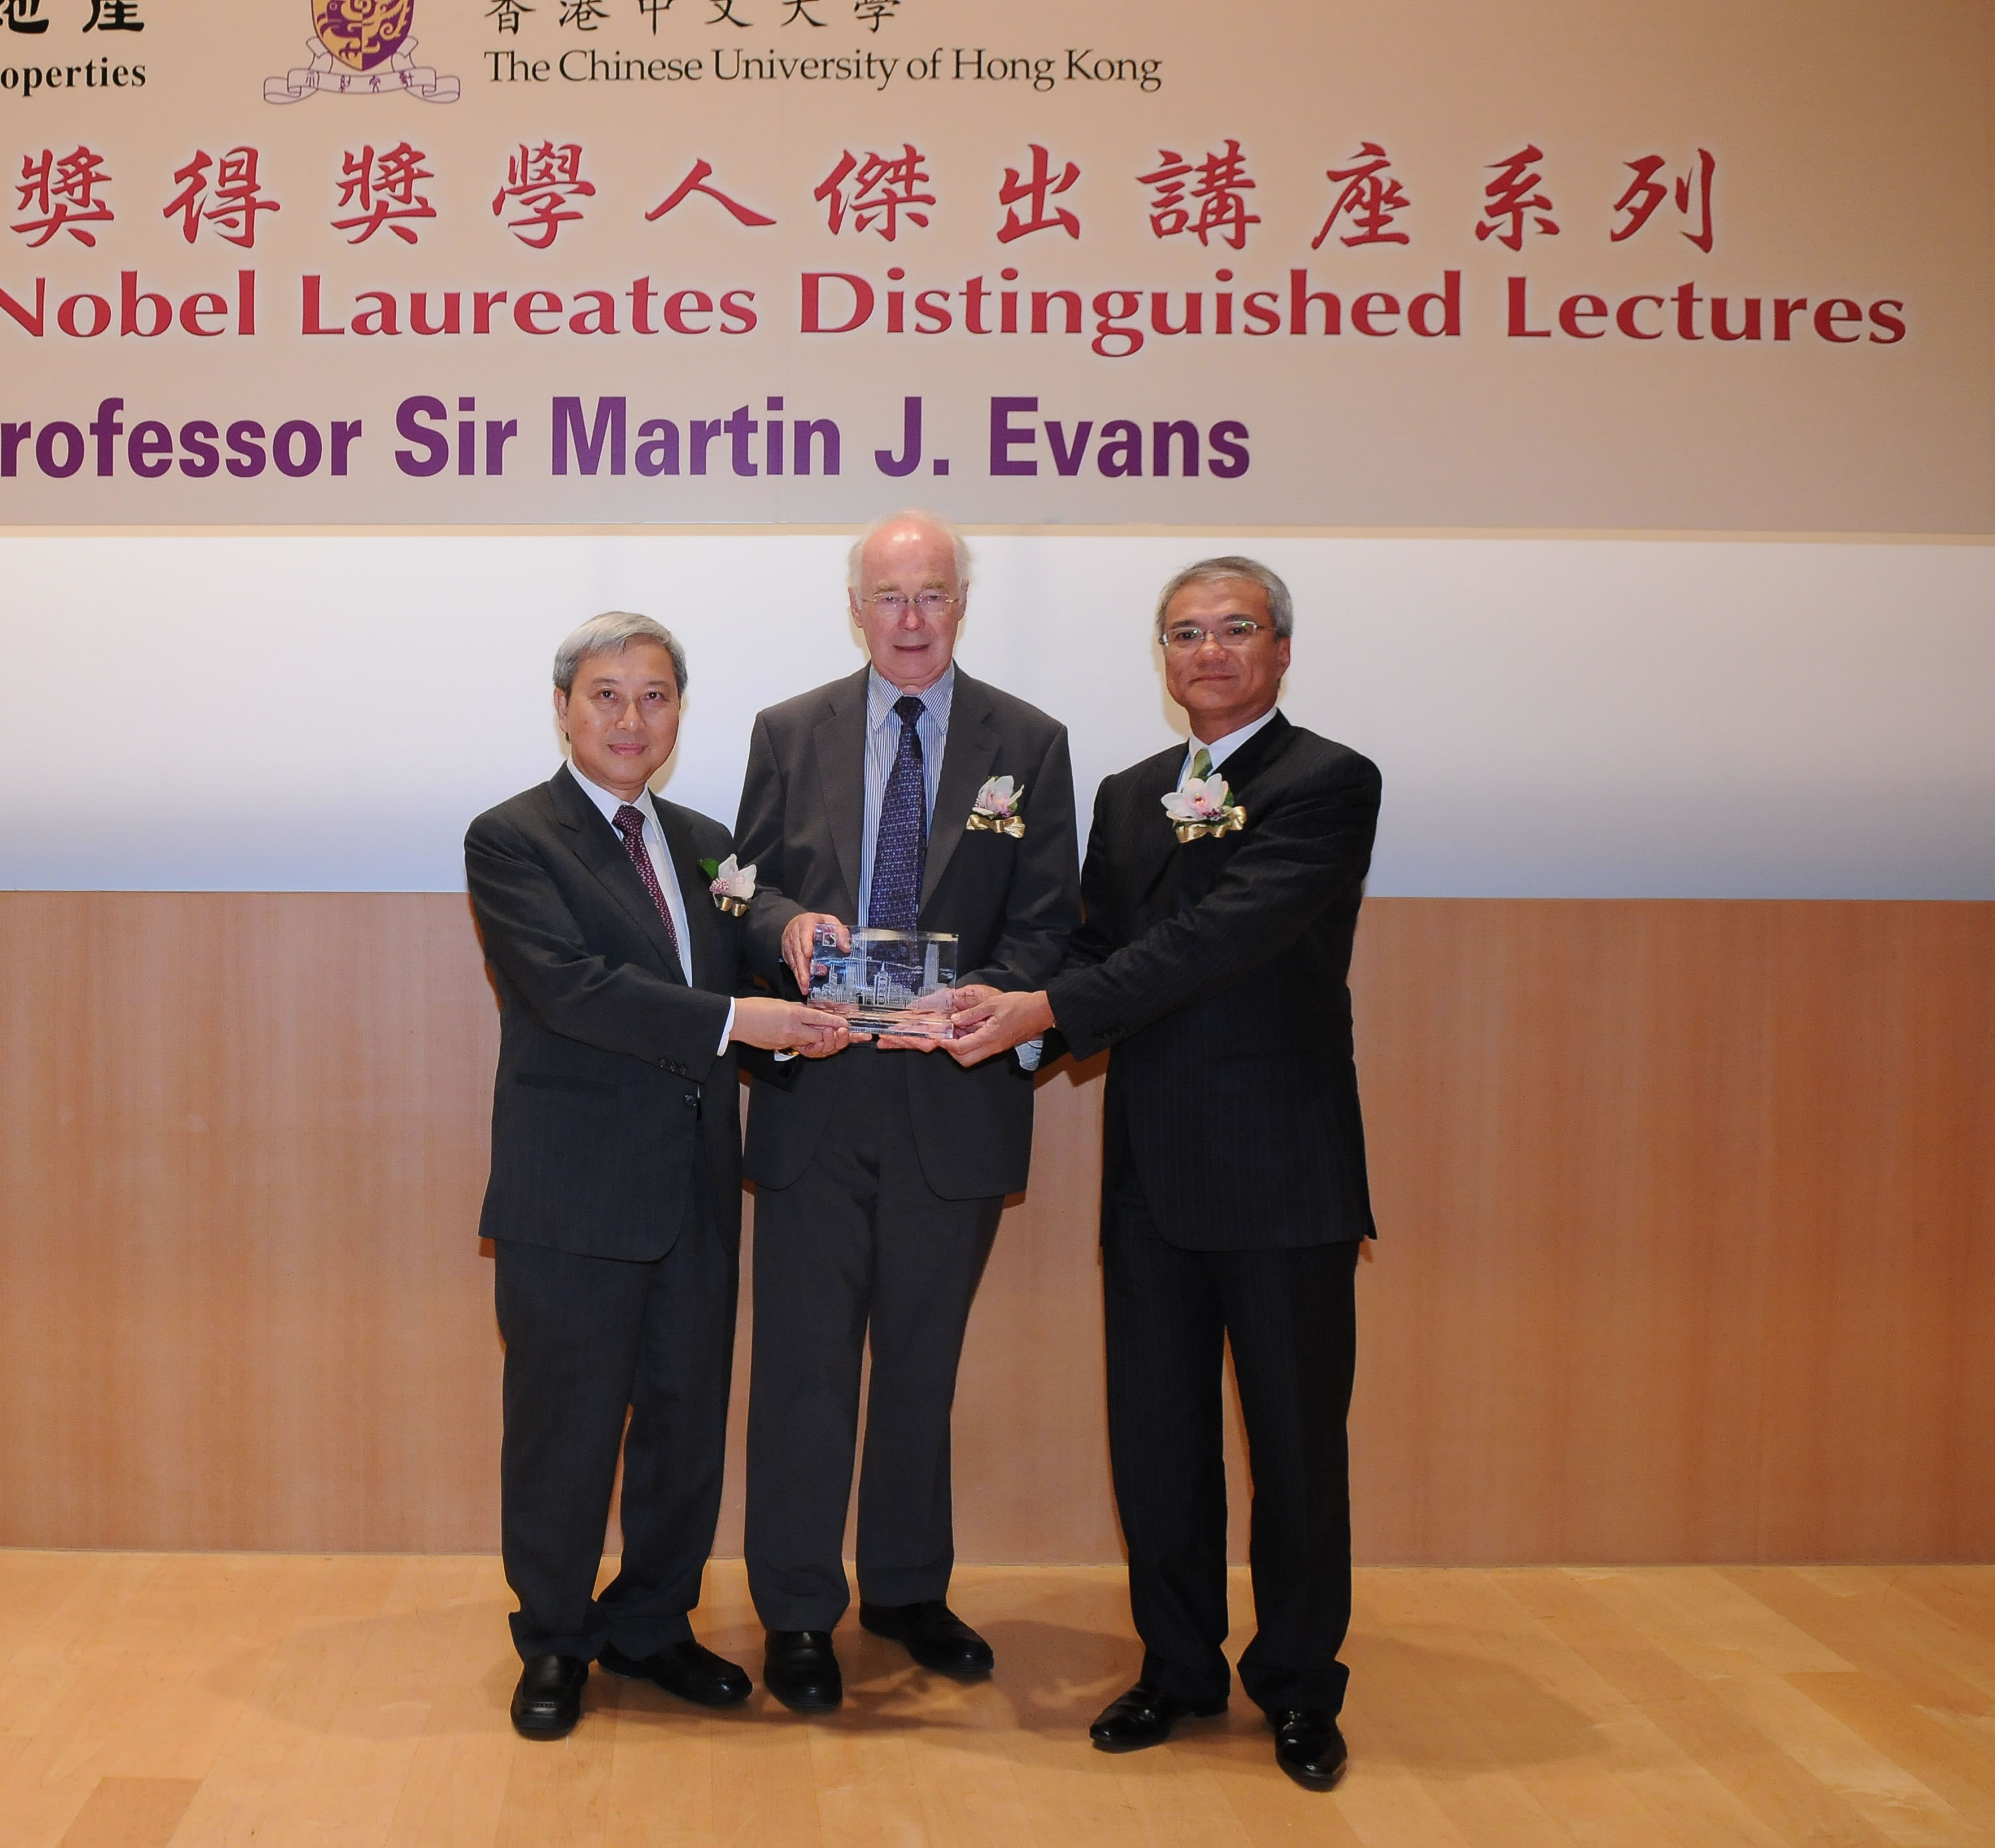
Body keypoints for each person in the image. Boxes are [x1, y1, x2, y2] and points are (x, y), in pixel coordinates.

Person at [945, 556, 1381, 1792]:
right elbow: (1092, 947)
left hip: (1285, 1172)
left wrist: (1049, 1003)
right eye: (1185, 632)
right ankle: (1179, 1669)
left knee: (1298, 1448)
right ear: (1163, 657)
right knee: (1159, 1440)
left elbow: (1214, 939)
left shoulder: (1328, 783)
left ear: (1281, 650)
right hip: (1150, 1177)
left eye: (1236, 629)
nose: (1210, 651)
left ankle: (1299, 1686)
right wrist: (991, 1021)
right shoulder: (1135, 795)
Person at [465, 611, 849, 1741]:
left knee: (684, 1424)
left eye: (656, 697)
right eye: (607, 695)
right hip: (570, 1195)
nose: (632, 719)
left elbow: (751, 929)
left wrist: (817, 966)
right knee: (565, 1429)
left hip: (692, 1189)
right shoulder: (513, 837)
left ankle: (651, 1625)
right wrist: (746, 1018)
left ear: (680, 712)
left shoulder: (701, 838)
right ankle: (554, 1640)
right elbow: (573, 991)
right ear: (565, 707)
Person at [729, 511, 1080, 1710]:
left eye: (934, 594)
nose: (913, 618)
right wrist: (782, 925)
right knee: (803, 1372)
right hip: (818, 1093)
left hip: (953, 1100)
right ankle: (796, 1612)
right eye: (892, 597)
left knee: (923, 1365)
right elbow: (742, 885)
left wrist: (994, 996)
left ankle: (908, 1591)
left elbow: (1050, 922)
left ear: (962, 606)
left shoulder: (1028, 743)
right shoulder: (788, 731)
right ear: (858, 607)